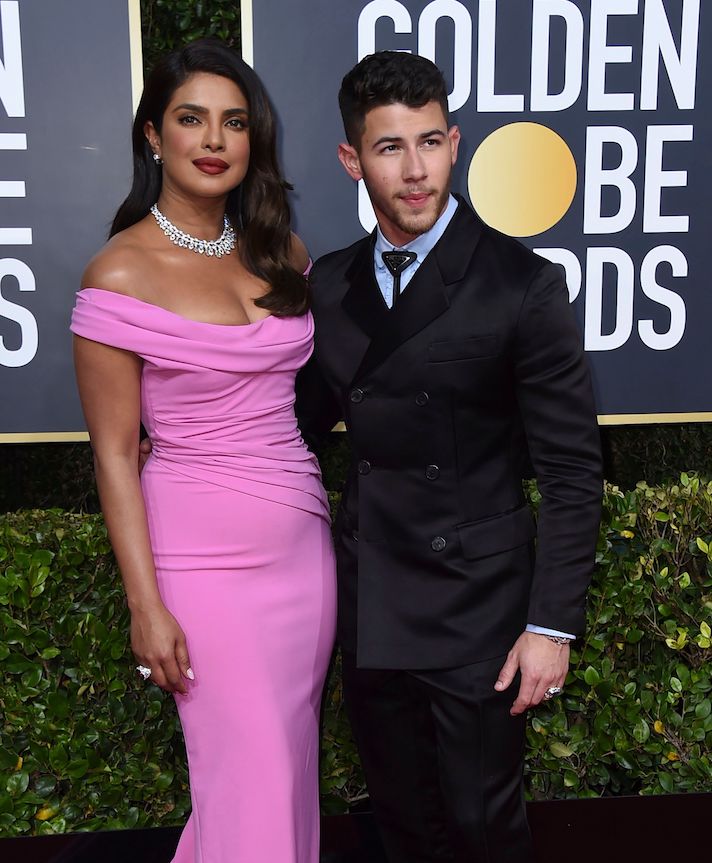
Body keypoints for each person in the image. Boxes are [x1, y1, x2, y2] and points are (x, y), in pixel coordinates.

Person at [296, 51, 602, 863]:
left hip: (478, 609)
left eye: (430, 142)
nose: (415, 170)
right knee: (402, 825)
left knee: (482, 826)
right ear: (351, 159)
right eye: (390, 147)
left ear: (455, 143)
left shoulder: (520, 284)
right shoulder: (330, 286)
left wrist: (550, 625)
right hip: (372, 598)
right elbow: (294, 423)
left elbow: (572, 473)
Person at [71, 39, 336, 863]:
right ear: (154, 136)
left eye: (234, 122)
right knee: (251, 777)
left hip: (303, 553)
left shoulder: (283, 253)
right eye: (192, 119)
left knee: (282, 781)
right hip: (201, 565)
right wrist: (144, 605)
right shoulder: (118, 273)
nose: (215, 139)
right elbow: (115, 456)